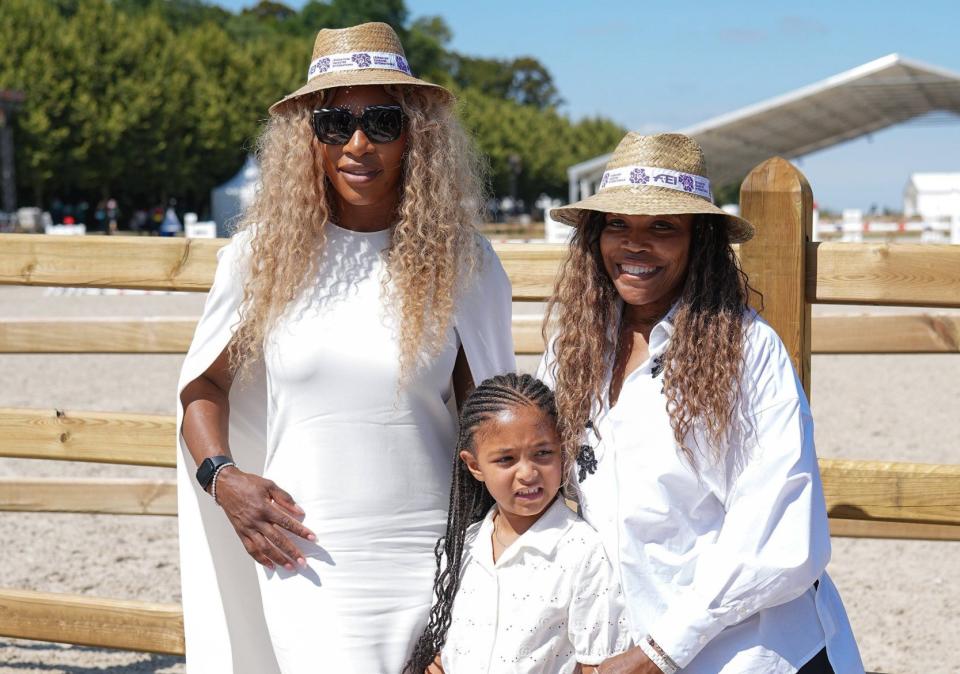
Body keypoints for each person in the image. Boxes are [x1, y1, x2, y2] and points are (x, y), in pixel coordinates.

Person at [176, 22, 514, 673]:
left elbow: (493, 422)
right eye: (335, 123)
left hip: (436, 560)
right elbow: (203, 386)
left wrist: (488, 571)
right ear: (308, 136)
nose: (358, 144)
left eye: (383, 122)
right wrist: (225, 480)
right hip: (302, 557)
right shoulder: (260, 259)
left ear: (418, 132)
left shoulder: (464, 263)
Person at [539, 133, 864, 674]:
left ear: (700, 240)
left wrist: (661, 651)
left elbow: (778, 534)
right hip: (630, 646)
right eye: (617, 224)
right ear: (595, 235)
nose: (634, 244)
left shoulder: (747, 350)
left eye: (662, 226)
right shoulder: (572, 352)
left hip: (752, 653)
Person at [405, 373, 630, 674]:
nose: (527, 472)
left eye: (543, 453)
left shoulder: (583, 553)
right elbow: (446, 651)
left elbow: (597, 663)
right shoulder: (462, 548)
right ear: (474, 466)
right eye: (506, 460)